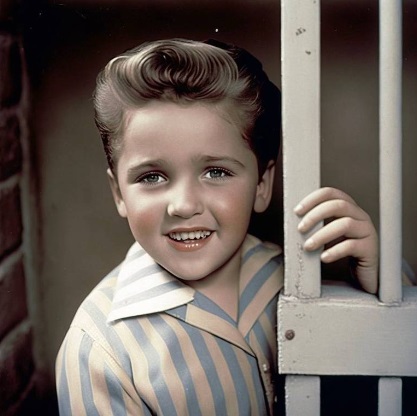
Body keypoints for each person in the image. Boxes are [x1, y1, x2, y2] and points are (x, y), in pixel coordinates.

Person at [55, 38, 378, 415]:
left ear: (262, 184)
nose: (184, 205)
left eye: (216, 172)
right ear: (119, 193)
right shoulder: (99, 350)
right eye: (152, 177)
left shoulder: (301, 275)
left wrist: (382, 285)